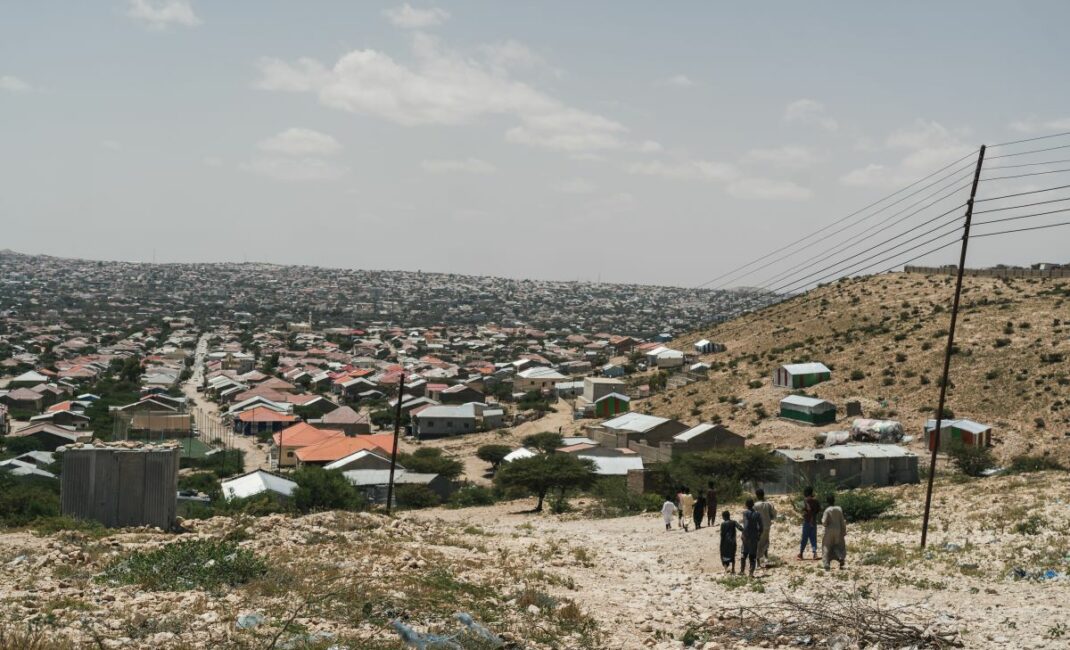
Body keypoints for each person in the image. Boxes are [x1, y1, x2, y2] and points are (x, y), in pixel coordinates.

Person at [821, 493, 847, 570]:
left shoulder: (827, 510)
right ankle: (840, 557)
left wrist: (823, 522)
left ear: (827, 502)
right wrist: (843, 531)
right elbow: (842, 521)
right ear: (834, 500)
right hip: (838, 530)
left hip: (829, 530)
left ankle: (826, 564)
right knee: (837, 545)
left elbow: (824, 522)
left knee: (826, 546)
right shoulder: (839, 509)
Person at [753, 488, 777, 568]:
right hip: (767, 526)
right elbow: (774, 514)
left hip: (758, 527)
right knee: (766, 541)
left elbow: (753, 516)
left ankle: (758, 562)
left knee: (758, 544)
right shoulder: (768, 504)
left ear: (757, 495)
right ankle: (766, 558)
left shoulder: (755, 505)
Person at [740, 499, 763, 576]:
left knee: (744, 553)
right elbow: (761, 526)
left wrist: (743, 534)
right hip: (754, 536)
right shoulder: (757, 514)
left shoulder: (745, 513)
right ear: (753, 504)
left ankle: (742, 571)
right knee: (752, 554)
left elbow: (746, 525)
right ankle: (751, 572)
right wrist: (759, 535)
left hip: (747, 536)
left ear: (746, 505)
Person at [798, 486, 819, 560]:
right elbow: (817, 511)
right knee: (813, 539)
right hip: (813, 522)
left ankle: (801, 553)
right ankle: (815, 554)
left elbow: (802, 511)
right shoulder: (816, 501)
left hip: (806, 522)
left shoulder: (803, 502)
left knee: (804, 539)